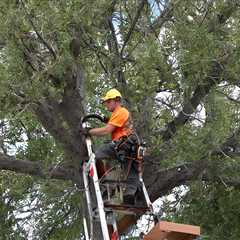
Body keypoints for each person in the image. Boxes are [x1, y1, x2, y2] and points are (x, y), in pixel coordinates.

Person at [85, 88, 141, 205]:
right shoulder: (118, 114)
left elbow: (107, 130)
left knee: (96, 157)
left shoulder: (121, 111)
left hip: (123, 144)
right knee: (131, 172)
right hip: (132, 146)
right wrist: (107, 120)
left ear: (116, 100)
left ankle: (106, 187)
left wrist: (90, 132)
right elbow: (115, 124)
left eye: (108, 102)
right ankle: (129, 197)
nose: (106, 105)